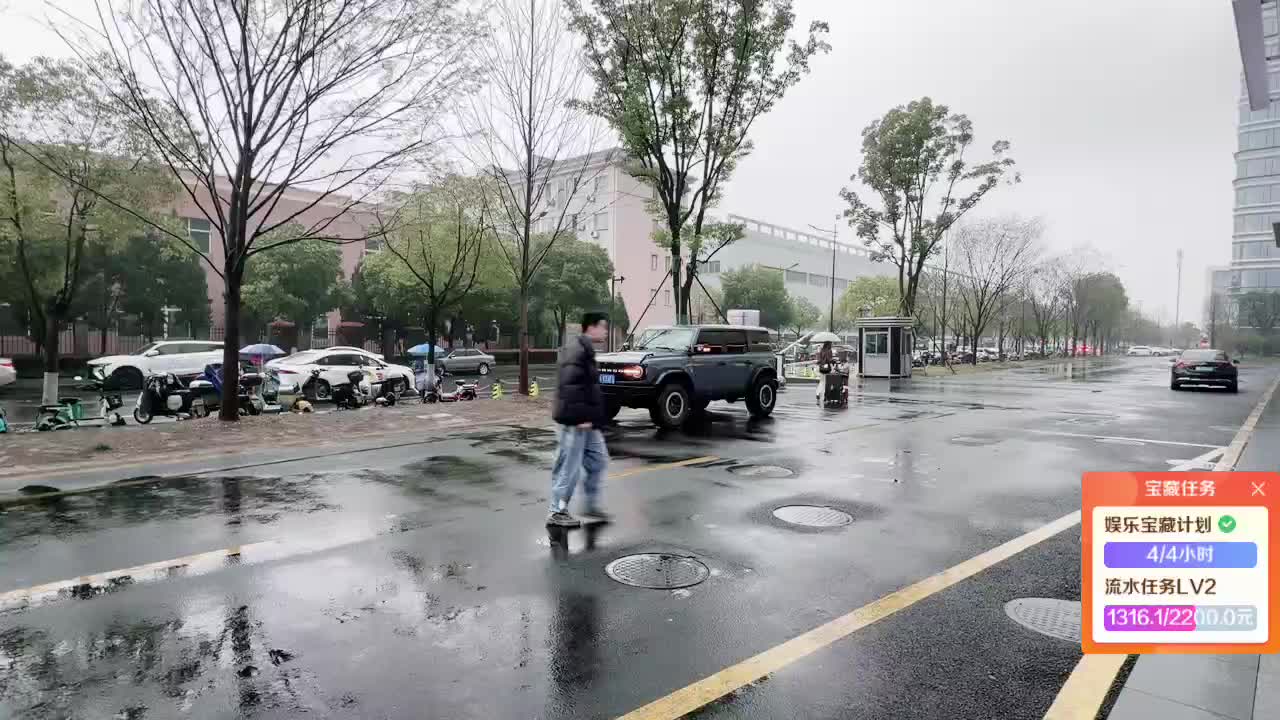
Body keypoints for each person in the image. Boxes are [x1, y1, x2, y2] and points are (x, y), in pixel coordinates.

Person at [547, 312, 611, 527]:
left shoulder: (586, 349)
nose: (605, 331)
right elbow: (570, 386)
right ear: (591, 327)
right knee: (569, 468)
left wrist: (594, 419)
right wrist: (580, 418)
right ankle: (557, 511)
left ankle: (590, 505)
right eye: (603, 327)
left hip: (588, 422)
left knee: (598, 461)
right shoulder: (578, 350)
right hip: (576, 422)